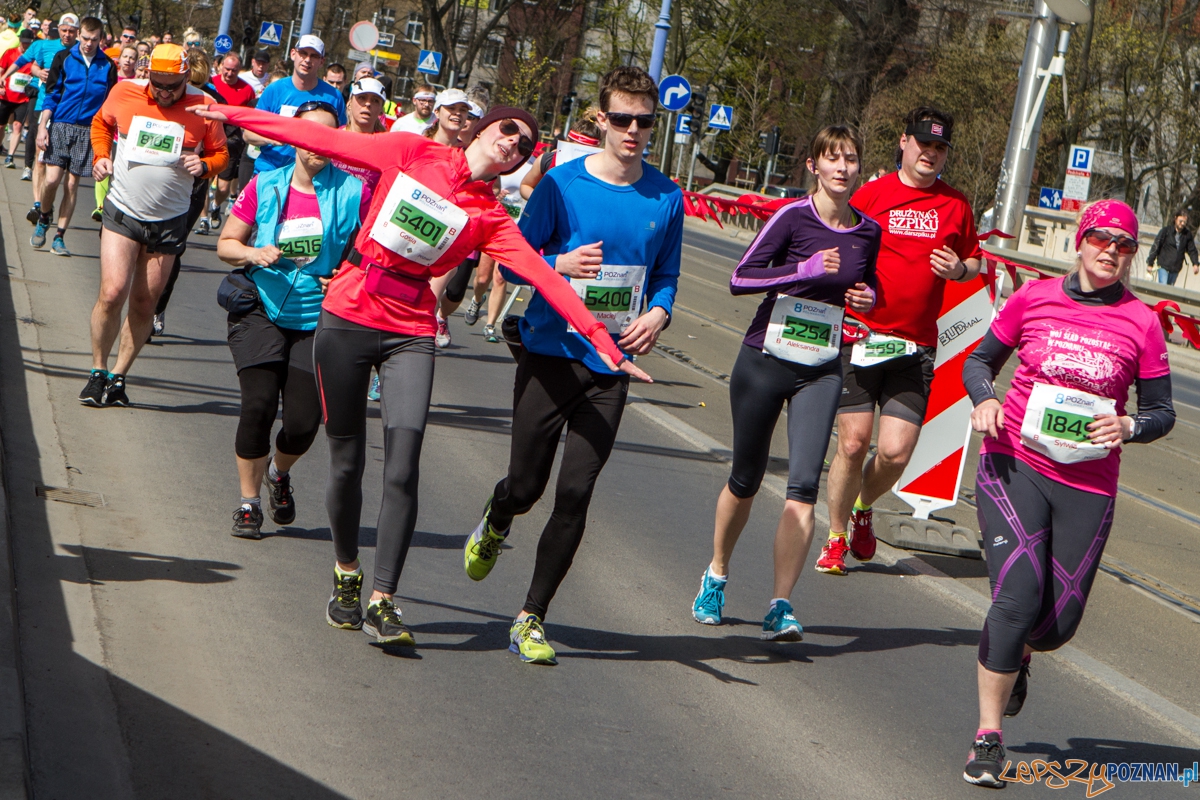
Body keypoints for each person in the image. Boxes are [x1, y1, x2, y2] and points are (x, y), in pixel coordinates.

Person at [192, 96, 649, 646]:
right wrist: (236, 116)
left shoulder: (491, 217)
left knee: (403, 466)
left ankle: (384, 599)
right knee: (346, 463)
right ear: (482, 131)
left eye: (525, 145)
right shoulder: (412, 151)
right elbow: (328, 141)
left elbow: (548, 281)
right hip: (348, 313)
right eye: (507, 130)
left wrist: (606, 344)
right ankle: (346, 573)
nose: (513, 143)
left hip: (411, 328)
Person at [462, 66, 681, 666]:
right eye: (622, 119)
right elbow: (514, 259)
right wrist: (560, 263)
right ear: (601, 119)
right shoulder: (561, 185)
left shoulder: (666, 195)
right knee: (528, 486)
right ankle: (498, 513)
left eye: (644, 122)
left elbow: (665, 276)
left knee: (576, 492)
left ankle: (531, 616)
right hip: (550, 352)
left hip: (611, 363)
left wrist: (658, 314)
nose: (633, 131)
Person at [959, 199, 1174, 787]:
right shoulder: (1034, 298)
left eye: (1124, 244)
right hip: (1016, 463)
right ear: (1080, 242)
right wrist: (985, 400)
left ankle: (1023, 653)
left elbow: (1161, 413)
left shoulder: (1143, 323)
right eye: (1101, 238)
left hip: (1087, 482)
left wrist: (1130, 426)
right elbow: (978, 363)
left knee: (1053, 627)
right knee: (1015, 597)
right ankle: (988, 737)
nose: (1110, 250)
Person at [690, 125, 880, 639]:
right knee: (746, 479)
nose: (842, 168)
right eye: (832, 159)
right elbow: (740, 279)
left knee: (803, 487)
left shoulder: (868, 230)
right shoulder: (792, 217)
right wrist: (804, 268)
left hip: (820, 368)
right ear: (814, 167)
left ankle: (780, 605)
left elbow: (869, 287)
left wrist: (867, 302)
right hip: (764, 360)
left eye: (851, 160)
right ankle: (717, 572)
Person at [821, 106, 983, 575]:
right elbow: (839, 249)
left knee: (894, 453)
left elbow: (975, 262)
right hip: (860, 335)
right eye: (923, 144)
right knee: (853, 444)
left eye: (939, 148)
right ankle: (834, 538)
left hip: (916, 347)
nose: (930, 154)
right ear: (903, 141)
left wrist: (958, 270)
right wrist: (854, 289)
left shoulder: (956, 206)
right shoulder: (870, 195)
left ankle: (862, 507)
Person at [217, 101, 365, 538]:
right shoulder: (266, 183)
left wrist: (345, 273)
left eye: (327, 136)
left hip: (318, 316)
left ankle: (278, 473)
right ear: (294, 139)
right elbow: (226, 243)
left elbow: (366, 252)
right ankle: (248, 503)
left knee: (303, 423)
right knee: (258, 406)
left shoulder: (352, 191)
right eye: (309, 135)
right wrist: (252, 252)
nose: (318, 144)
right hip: (261, 305)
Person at [79, 43, 228, 407]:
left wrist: (205, 166)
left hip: (169, 219)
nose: (163, 92)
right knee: (112, 292)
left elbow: (221, 153)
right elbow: (101, 122)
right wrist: (101, 156)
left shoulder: (203, 105)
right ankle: (98, 371)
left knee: (145, 303)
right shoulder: (125, 91)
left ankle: (118, 376)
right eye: (157, 84)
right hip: (123, 209)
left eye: (171, 86)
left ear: (184, 76)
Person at [33, 15, 115, 257]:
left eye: (94, 40)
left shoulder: (108, 66)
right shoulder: (65, 58)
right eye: (86, 38)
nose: (89, 44)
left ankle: (59, 236)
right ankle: (44, 217)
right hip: (60, 125)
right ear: (79, 36)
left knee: (72, 184)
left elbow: (110, 104)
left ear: (102, 39)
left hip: (88, 130)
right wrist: (42, 125)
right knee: (51, 180)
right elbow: (52, 95)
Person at [247, 34, 344, 175]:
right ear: (293, 54)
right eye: (303, 53)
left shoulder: (334, 97)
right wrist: (271, 138)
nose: (307, 60)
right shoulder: (274, 90)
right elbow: (248, 134)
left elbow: (341, 139)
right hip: (270, 170)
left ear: (322, 62)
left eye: (314, 56)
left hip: (311, 177)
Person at [3, 13, 73, 189]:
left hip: (66, 104)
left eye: (68, 30)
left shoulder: (79, 49)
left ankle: (53, 171)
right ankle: (29, 166)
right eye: (62, 30)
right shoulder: (41, 45)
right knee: (34, 132)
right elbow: (26, 62)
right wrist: (6, 75)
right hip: (40, 96)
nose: (64, 33)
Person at [201, 54, 256, 229]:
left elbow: (250, 117)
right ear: (220, 67)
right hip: (207, 134)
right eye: (227, 69)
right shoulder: (210, 83)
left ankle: (216, 205)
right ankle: (203, 219)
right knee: (203, 181)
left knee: (224, 188)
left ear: (239, 70)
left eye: (234, 70)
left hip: (231, 139)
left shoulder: (247, 90)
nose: (230, 73)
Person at [89, 43, 138, 222]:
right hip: (109, 129)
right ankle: (100, 206)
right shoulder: (111, 77)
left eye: (132, 58)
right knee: (104, 163)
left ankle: (120, 206)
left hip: (127, 135)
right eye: (126, 56)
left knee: (120, 172)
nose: (128, 60)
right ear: (120, 59)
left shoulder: (138, 83)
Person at [0, 29, 35, 169]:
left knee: (17, 125)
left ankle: (10, 156)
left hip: (23, 99)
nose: (25, 45)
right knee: (1, 126)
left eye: (28, 43)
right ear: (20, 40)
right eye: (24, 42)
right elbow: (1, 70)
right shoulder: (10, 53)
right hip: (6, 95)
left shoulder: (34, 56)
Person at [1145, 210, 1196, 286]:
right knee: (1163, 286)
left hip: (1175, 268)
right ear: (1175, 218)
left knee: (1170, 289)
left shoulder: (1187, 235)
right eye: (1180, 221)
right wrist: (1150, 263)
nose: (1182, 224)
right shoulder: (1166, 231)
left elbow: (1192, 250)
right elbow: (1156, 246)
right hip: (1163, 265)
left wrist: (1195, 263)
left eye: (1184, 222)